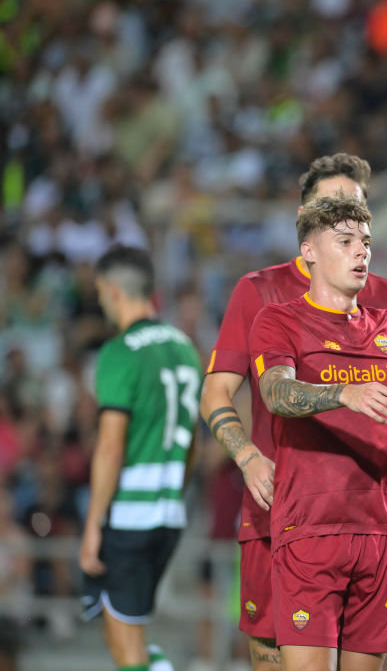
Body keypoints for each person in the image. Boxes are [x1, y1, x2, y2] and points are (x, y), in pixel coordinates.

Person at [198, 153, 387, 670]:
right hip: (282, 507)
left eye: (358, 219)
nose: (355, 239)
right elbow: (223, 392)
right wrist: (247, 457)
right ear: (306, 225)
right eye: (334, 216)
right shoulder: (262, 296)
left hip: (372, 519)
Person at [79, 245, 202, 671]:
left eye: (100, 293)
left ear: (113, 291)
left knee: (127, 648)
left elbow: (111, 446)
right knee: (122, 635)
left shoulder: (120, 351)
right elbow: (194, 443)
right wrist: (174, 494)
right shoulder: (185, 348)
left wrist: (93, 524)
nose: (99, 302)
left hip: (129, 517)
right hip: (169, 515)